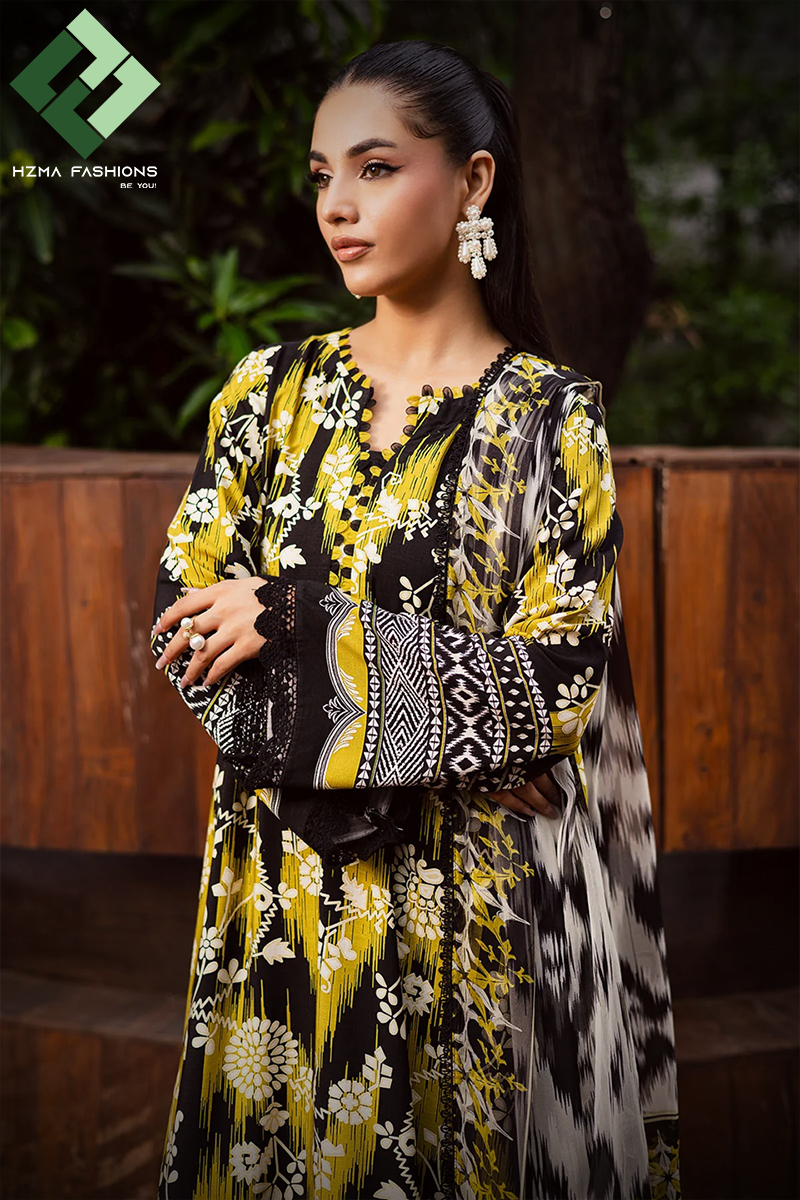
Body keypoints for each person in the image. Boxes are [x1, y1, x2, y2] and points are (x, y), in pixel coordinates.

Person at [149, 39, 681, 1200]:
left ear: (473, 182)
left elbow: (552, 688)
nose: (336, 207)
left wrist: (293, 617)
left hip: (470, 920)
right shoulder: (264, 395)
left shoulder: (550, 422)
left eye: (375, 167)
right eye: (321, 176)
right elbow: (184, 635)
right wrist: (457, 729)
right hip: (278, 903)